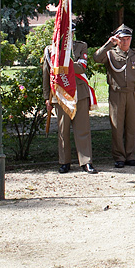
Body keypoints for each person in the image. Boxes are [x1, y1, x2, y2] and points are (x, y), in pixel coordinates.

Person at [94, 24, 135, 168]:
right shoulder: (110, 54)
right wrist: (109, 43)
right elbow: (96, 58)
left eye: (128, 39)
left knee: (131, 127)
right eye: (122, 39)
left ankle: (130, 156)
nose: (125, 42)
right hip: (117, 94)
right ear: (117, 39)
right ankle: (119, 157)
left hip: (133, 94)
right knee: (117, 127)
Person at [43, 32, 96, 174]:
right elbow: (47, 73)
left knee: (83, 129)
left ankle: (86, 161)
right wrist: (47, 97)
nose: (68, 35)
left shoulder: (80, 46)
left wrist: (63, 60)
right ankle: (64, 162)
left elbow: (81, 67)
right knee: (63, 130)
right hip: (60, 94)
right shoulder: (50, 50)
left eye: (71, 32)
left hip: (80, 93)